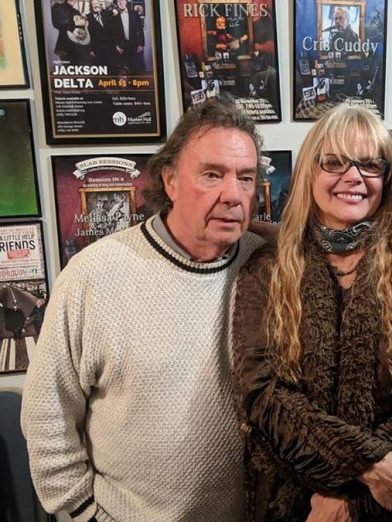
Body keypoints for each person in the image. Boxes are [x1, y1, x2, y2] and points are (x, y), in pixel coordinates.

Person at [21, 98, 266, 521]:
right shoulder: (93, 275)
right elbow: (48, 414)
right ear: (170, 181)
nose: (233, 194)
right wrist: (83, 513)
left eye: (245, 178)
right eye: (212, 175)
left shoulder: (266, 265)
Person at [234, 105, 392, 521]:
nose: (353, 176)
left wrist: (353, 502)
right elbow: (263, 396)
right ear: (310, 171)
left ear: (388, 177)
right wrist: (369, 466)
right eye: (334, 161)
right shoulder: (267, 270)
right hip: (296, 505)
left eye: (368, 164)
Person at [109, 0, 145, 73]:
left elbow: (140, 30)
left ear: (126, 2)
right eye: (118, 1)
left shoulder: (134, 14)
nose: (120, 3)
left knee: (136, 69)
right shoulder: (114, 17)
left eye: (122, 0)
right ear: (116, 4)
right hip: (122, 47)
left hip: (134, 45)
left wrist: (141, 44)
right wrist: (116, 46)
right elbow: (112, 34)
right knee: (123, 71)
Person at [51, 0, 91, 65]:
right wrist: (74, 23)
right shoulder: (57, 7)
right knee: (68, 70)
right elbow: (57, 24)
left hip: (78, 47)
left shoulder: (76, 11)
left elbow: (81, 28)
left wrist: (85, 22)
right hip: (64, 47)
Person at [86, 0, 115, 66]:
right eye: (93, 4)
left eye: (97, 3)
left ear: (100, 4)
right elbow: (88, 36)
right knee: (99, 69)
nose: (95, 5)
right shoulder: (88, 17)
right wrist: (91, 50)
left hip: (109, 47)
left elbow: (112, 30)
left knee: (110, 68)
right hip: (96, 49)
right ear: (91, 6)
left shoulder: (107, 14)